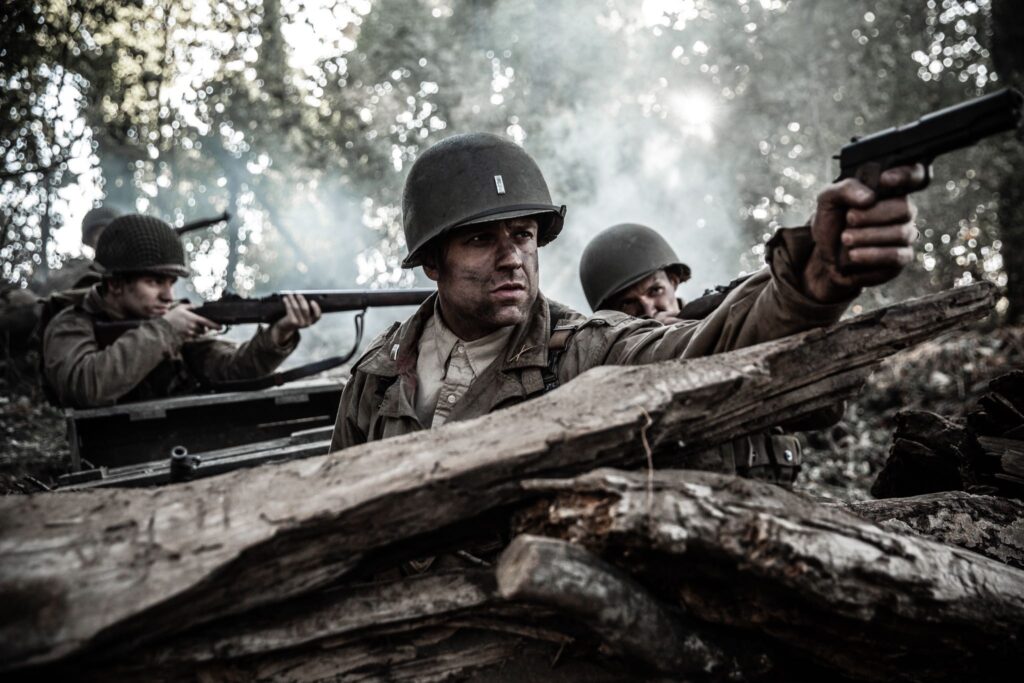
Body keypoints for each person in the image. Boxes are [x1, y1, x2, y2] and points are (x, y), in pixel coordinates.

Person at [330, 132, 922, 451]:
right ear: (434, 260)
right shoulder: (375, 380)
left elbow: (706, 352)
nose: (512, 257)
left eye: (524, 235)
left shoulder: (587, 350)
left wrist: (813, 280)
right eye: (482, 240)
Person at [579, 223, 834, 483]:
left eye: (655, 291)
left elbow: (826, 408)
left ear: (674, 281)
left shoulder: (730, 321)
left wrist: (697, 330)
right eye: (628, 303)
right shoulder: (612, 361)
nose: (649, 308)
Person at [43, 214, 321, 408]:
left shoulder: (170, 319)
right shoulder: (72, 323)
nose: (169, 295)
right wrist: (164, 331)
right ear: (115, 284)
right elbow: (83, 386)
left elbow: (231, 370)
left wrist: (278, 335)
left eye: (171, 283)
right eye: (154, 282)